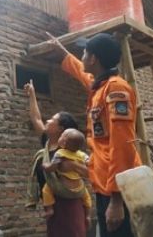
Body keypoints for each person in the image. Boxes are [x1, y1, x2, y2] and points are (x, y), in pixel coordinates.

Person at [47, 32, 142, 237]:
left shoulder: (116, 89)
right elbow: (81, 72)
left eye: (84, 52)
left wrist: (116, 199)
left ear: (93, 59)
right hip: (103, 183)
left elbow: (122, 143)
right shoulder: (99, 86)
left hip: (118, 188)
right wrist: (61, 51)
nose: (81, 56)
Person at [24, 80, 89, 237]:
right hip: (51, 203)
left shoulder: (68, 151)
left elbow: (88, 173)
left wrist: (72, 165)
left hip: (70, 202)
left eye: (52, 120)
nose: (47, 121)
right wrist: (32, 93)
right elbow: (36, 119)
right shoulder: (47, 144)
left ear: (61, 129)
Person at [41, 128, 92, 228]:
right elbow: (90, 164)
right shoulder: (82, 155)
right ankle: (88, 215)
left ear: (63, 143)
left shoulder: (60, 154)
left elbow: (52, 168)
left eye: (62, 135)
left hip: (63, 189)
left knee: (46, 189)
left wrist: (45, 166)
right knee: (87, 198)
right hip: (79, 190)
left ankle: (49, 209)